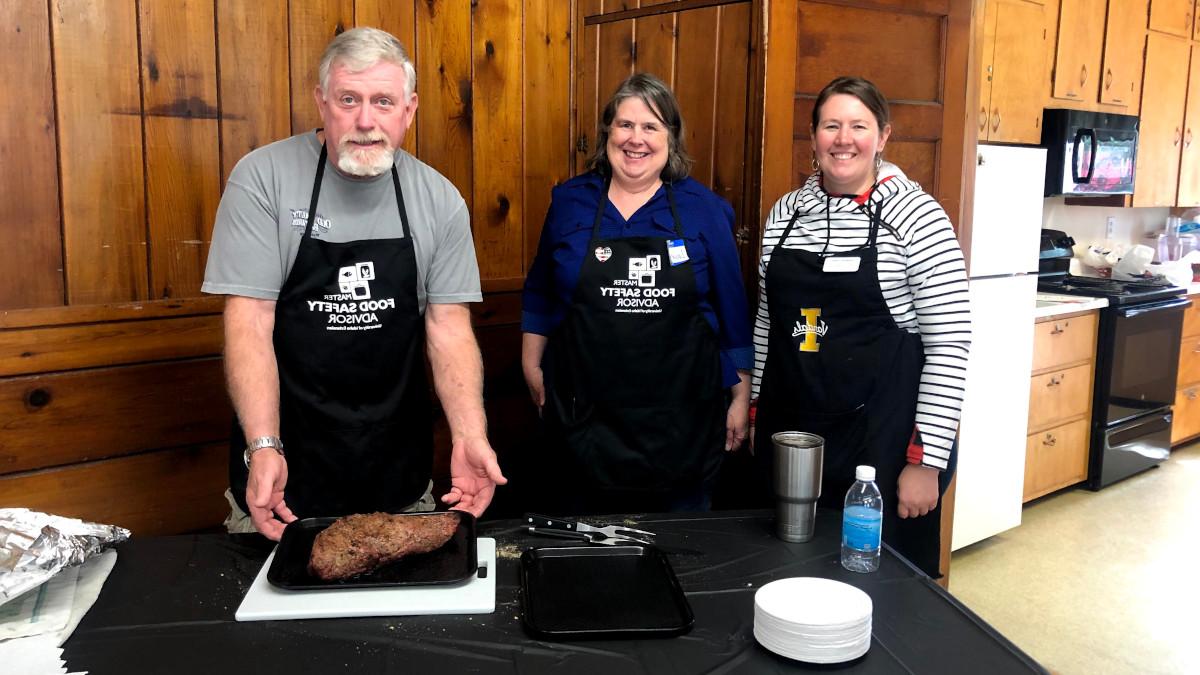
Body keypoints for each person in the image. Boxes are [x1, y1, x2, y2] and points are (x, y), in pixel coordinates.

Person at [202, 27, 506, 540]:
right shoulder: (263, 179)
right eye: (349, 99)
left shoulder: (440, 200)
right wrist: (263, 445)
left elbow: (448, 328)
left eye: (383, 102)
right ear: (322, 102)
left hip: (400, 482)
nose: (366, 120)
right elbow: (249, 321)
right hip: (282, 483)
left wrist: (470, 434)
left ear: (408, 110)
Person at [751, 76, 970, 577]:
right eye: (831, 125)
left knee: (880, 587)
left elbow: (950, 344)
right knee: (788, 570)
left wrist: (926, 461)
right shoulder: (786, 213)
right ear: (814, 137)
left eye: (858, 126)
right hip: (795, 437)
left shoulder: (917, 216)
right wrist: (757, 410)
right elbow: (768, 320)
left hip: (881, 444)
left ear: (883, 136)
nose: (843, 139)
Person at [521, 73, 753, 515]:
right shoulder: (570, 201)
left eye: (651, 127)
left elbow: (732, 308)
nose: (636, 139)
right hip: (584, 418)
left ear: (671, 137)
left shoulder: (705, 210)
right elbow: (541, 289)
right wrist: (531, 362)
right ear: (608, 131)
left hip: (681, 420)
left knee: (679, 544)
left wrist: (741, 397)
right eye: (625, 125)